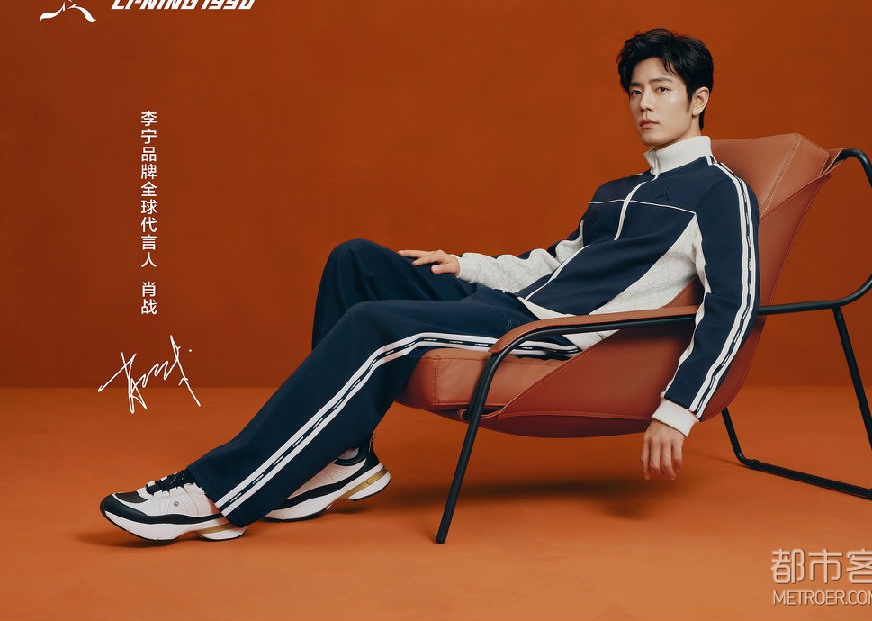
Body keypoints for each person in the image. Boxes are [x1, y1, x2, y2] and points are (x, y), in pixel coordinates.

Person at [100, 28, 759, 542]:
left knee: (375, 327)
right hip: (511, 302)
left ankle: (218, 493)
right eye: (636, 91)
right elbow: (551, 262)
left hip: (549, 336)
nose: (644, 104)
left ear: (699, 100)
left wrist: (678, 409)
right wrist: (463, 264)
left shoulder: (719, 192)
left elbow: (735, 304)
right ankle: (345, 458)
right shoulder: (618, 190)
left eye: (662, 89)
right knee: (355, 260)